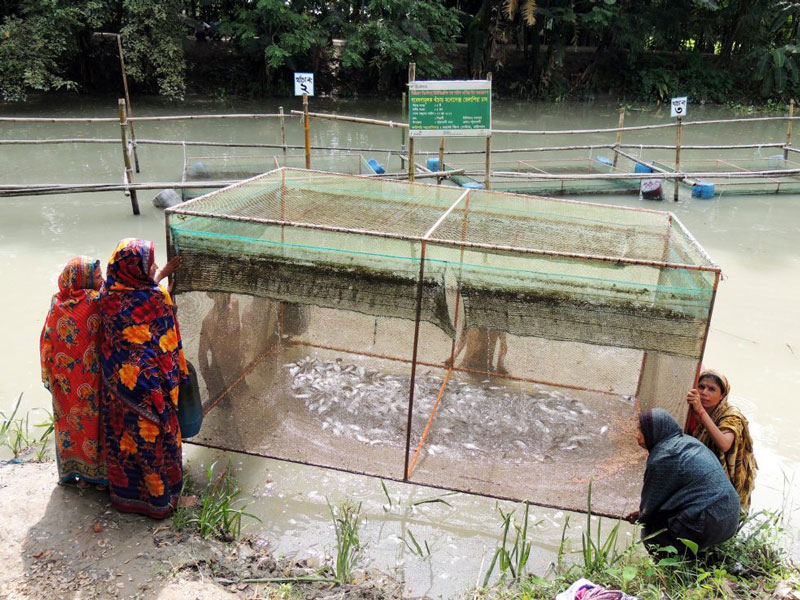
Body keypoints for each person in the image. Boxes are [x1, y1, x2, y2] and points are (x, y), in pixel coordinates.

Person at [99, 238, 189, 518]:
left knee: (124, 441)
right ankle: (162, 501)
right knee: (156, 441)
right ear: (133, 268)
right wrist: (163, 289)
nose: (153, 266)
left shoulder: (105, 295)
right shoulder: (155, 297)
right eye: (148, 263)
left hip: (117, 388)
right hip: (150, 388)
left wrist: (158, 278)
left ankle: (126, 498)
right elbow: (167, 339)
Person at [626, 409, 740, 553]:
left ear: (655, 431)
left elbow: (650, 508)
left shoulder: (661, 457)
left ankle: (667, 568)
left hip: (707, 521)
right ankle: (695, 556)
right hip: (731, 517)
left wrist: (640, 516)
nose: (637, 436)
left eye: (642, 430)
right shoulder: (687, 441)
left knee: (652, 531)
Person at [40, 256, 108, 489]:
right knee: (93, 425)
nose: (103, 280)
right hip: (90, 380)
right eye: (98, 277)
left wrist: (49, 373)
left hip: (64, 381)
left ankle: (77, 474)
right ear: (85, 280)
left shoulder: (56, 301)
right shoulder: (95, 300)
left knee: (70, 426)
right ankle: (97, 478)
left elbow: (47, 340)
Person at [686, 369, 757, 512]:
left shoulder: (732, 416)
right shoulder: (690, 407)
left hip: (726, 477)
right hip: (701, 471)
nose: (704, 392)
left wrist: (701, 411)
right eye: (701, 387)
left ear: (723, 395)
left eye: (712, 389)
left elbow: (724, 444)